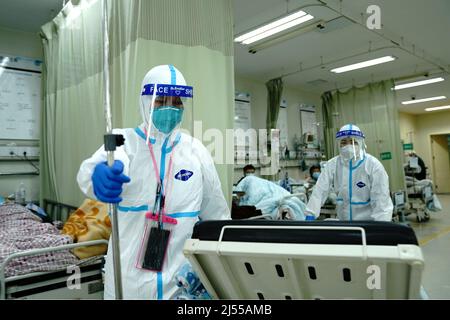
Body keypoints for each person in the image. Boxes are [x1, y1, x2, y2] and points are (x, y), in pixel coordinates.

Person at [77, 64, 230, 299]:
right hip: (128, 284)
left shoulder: (195, 151)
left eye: (177, 102)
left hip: (180, 285)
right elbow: (91, 172)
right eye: (161, 101)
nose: (170, 108)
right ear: (146, 101)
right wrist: (99, 173)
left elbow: (218, 217)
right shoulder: (124, 141)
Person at [305, 124, 393, 221]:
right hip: (344, 223)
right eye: (344, 142)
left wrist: (382, 226)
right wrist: (311, 213)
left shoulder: (373, 165)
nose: (348, 146)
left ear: (360, 142)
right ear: (339, 144)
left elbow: (381, 200)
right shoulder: (332, 165)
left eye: (353, 142)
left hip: (368, 225)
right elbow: (320, 190)